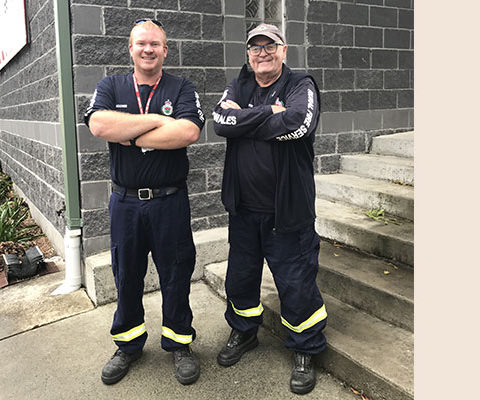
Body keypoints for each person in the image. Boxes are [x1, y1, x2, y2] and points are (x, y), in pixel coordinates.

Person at [84, 19, 205, 386]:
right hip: (125, 203)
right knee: (127, 274)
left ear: (165, 50)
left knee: (176, 273)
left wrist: (130, 133)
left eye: (155, 44)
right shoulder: (110, 85)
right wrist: (155, 122)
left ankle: (179, 342)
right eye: (141, 43)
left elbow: (188, 132)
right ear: (131, 49)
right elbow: (99, 126)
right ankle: (128, 345)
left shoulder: (181, 87)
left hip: (170, 201)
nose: (148, 49)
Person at [212, 23, 326, 395]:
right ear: (248, 54)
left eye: (270, 46)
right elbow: (220, 123)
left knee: (296, 283)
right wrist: (267, 113)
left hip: (287, 211)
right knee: (240, 279)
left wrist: (245, 118)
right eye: (255, 47)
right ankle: (245, 332)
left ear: (283, 50)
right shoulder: (239, 84)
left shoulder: (300, 84)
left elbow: (298, 123)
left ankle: (305, 347)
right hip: (243, 210)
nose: (262, 53)